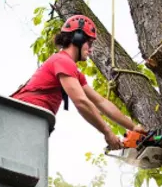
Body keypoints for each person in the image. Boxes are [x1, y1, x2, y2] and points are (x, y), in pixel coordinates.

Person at [11, 14, 146, 150]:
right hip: (17, 116)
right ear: (78, 38)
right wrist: (107, 132)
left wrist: (133, 127)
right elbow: (81, 102)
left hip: (30, 120)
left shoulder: (72, 71)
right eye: (90, 43)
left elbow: (101, 102)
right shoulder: (62, 61)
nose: (91, 49)